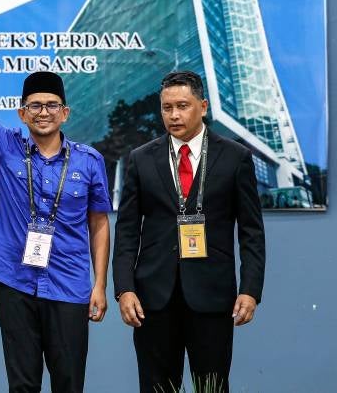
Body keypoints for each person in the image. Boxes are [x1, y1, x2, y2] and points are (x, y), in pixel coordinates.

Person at [0, 40, 112, 393]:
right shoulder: (6, 146)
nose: (44, 112)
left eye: (52, 105)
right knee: (22, 384)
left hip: (69, 284)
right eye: (35, 106)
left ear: (65, 112)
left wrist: (99, 284)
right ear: (22, 113)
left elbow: (99, 224)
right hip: (15, 281)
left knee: (69, 383)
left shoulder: (89, 161)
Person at [112, 70, 266, 393]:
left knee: (211, 387)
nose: (174, 115)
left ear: (204, 106)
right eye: (167, 108)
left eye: (182, 105)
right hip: (152, 300)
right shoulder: (140, 160)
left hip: (212, 297)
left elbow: (251, 232)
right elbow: (127, 232)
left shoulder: (236, 158)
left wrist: (250, 290)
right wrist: (124, 289)